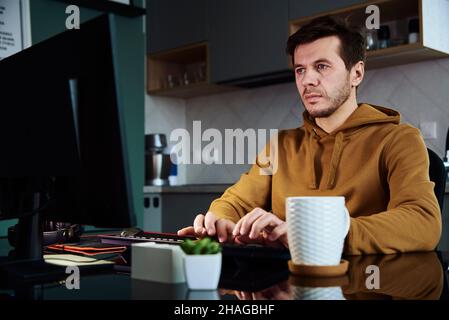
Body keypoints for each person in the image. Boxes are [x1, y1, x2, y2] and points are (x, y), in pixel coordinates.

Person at [178, 16, 441, 254]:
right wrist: (220, 221)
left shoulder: (399, 139)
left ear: (356, 73)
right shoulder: (279, 147)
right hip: (286, 288)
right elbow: (235, 202)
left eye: (322, 66)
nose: (307, 80)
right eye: (300, 69)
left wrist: (320, 235)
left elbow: (422, 221)